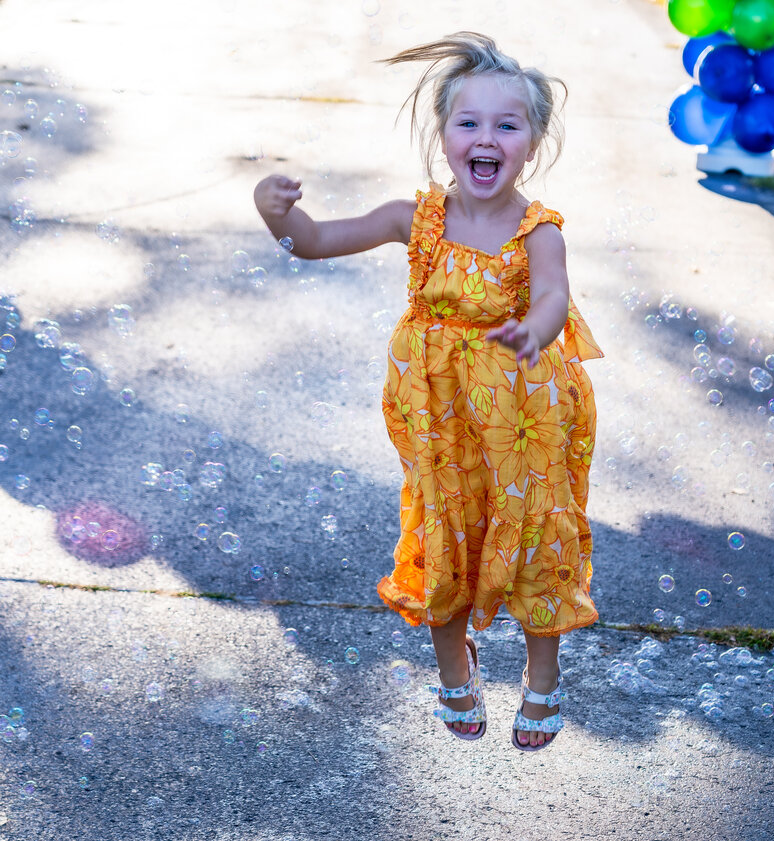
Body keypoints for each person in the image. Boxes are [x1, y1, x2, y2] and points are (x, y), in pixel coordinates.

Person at [254, 31, 603, 751]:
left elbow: (553, 301)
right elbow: (314, 239)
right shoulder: (413, 221)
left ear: (532, 143)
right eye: (468, 122)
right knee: (444, 530)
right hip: (440, 419)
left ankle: (543, 677)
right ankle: (455, 667)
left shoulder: (539, 233)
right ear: (443, 135)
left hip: (523, 418)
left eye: (507, 125)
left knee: (538, 536)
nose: (487, 137)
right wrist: (275, 214)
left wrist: (533, 333)